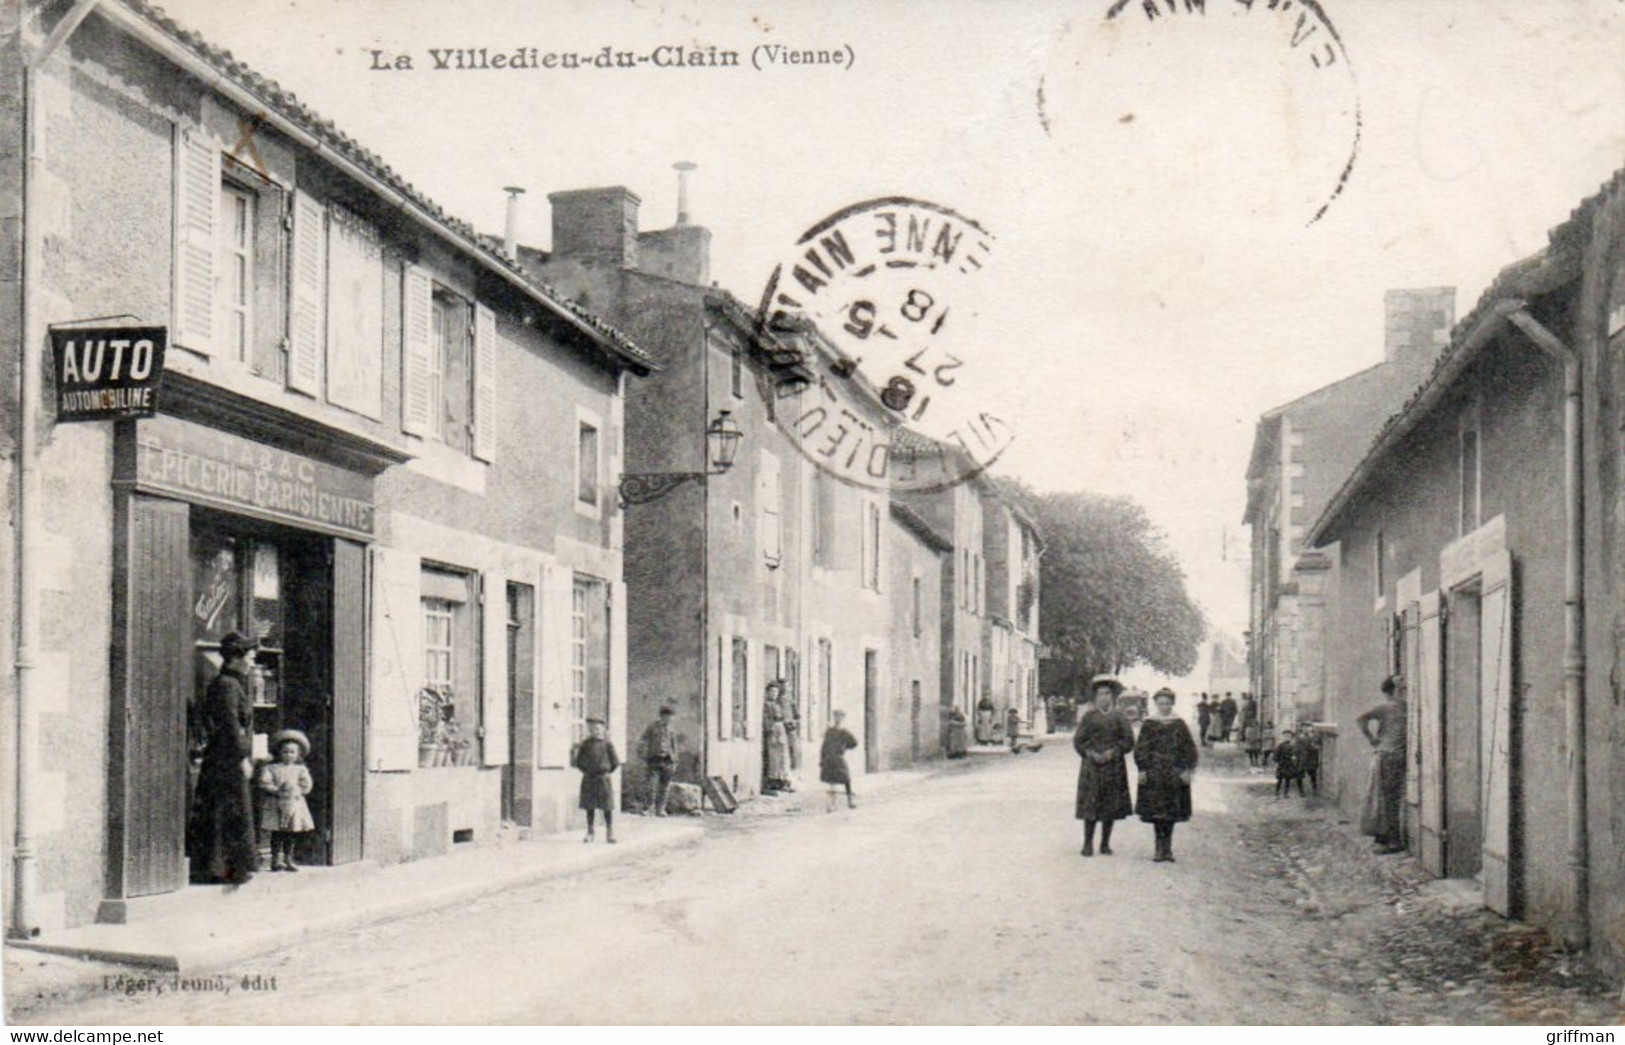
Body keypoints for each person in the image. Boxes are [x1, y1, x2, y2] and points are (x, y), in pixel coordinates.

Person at [188, 632, 259, 885]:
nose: (252, 662)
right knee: (227, 809)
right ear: (236, 658)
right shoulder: (227, 685)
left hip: (224, 755)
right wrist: (242, 757)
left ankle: (223, 868)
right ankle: (222, 869)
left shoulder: (232, 683)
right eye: (250, 657)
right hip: (226, 757)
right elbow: (229, 725)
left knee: (225, 809)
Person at [1134, 688, 1198, 863]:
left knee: (1170, 812)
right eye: (1161, 703)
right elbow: (1141, 749)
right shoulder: (1149, 724)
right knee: (1156, 812)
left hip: (1174, 772)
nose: (1165, 707)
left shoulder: (1179, 724)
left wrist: (1187, 769)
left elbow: (1189, 749)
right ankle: (1158, 848)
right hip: (1155, 772)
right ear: (1156, 704)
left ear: (1173, 703)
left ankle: (1168, 848)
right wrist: (1142, 769)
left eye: (1168, 703)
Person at [1073, 675, 1134, 857]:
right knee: (1090, 804)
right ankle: (1087, 844)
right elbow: (1079, 741)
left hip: (1113, 767)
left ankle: (1105, 843)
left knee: (1110, 805)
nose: (1104, 697)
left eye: (1108, 694)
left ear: (1113, 696)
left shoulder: (1119, 717)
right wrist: (1089, 753)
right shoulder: (1089, 717)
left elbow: (1129, 741)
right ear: (1095, 697)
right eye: (1100, 694)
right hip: (1092, 767)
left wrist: (1114, 752)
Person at [1356, 677, 1408, 854]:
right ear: (1393, 690)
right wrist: (1372, 739)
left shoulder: (1403, 706)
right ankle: (1390, 840)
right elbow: (1361, 719)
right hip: (1389, 756)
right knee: (1388, 798)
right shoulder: (1388, 707)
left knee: (1386, 797)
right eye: (1402, 687)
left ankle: (1385, 838)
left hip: (1391, 755)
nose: (1405, 689)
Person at [256, 729, 315, 872]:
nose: (288, 755)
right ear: (279, 753)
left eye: (292, 752)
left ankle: (289, 859)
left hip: (294, 804)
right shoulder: (272, 768)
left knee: (291, 832)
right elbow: (265, 782)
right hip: (276, 802)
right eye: (285, 752)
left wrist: (297, 791)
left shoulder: (300, 769)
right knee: (277, 832)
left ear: (298, 754)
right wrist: (277, 790)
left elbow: (306, 784)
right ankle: (275, 859)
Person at [573, 718, 620, 843]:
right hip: (589, 778)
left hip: (603, 779)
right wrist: (588, 770)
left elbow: (615, 762)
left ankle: (610, 833)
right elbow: (579, 762)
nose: (596, 731)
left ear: (603, 730)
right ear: (590, 730)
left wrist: (606, 771)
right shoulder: (585, 744)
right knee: (590, 807)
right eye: (593, 729)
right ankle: (590, 832)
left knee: (607, 807)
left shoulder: (607, 744)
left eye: (598, 728)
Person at [637, 704, 679, 816]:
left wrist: (675, 760)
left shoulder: (671, 730)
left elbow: (674, 745)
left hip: (668, 760)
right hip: (654, 759)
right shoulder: (652, 727)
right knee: (651, 785)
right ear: (662, 716)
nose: (669, 719)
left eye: (671, 717)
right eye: (667, 716)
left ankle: (661, 809)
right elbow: (643, 740)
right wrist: (643, 753)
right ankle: (648, 808)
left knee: (665, 786)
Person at [820, 710, 859, 811]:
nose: (837, 719)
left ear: (843, 719)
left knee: (846, 779)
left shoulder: (844, 732)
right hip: (829, 758)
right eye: (836, 717)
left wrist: (844, 747)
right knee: (831, 782)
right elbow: (824, 746)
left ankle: (850, 801)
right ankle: (831, 804)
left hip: (839, 757)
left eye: (840, 717)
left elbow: (854, 743)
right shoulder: (829, 731)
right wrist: (822, 759)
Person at [762, 682, 794, 794]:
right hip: (773, 730)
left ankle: (783, 781)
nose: (774, 694)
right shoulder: (766, 705)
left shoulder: (779, 704)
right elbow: (765, 719)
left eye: (776, 692)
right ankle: (774, 782)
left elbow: (785, 717)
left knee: (783, 756)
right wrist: (770, 728)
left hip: (781, 729)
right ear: (767, 692)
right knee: (774, 757)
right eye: (772, 691)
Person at [1274, 729, 1302, 797]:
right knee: (1279, 779)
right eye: (1286, 736)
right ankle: (1277, 792)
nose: (1287, 738)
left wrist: (1294, 759)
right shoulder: (1280, 745)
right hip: (1282, 764)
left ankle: (1286, 793)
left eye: (1289, 736)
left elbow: (1296, 754)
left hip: (1289, 764)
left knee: (1287, 779)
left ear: (1291, 737)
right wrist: (1277, 761)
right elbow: (1276, 755)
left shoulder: (1293, 746)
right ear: (1283, 737)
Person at [1295, 729, 1322, 794]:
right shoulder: (1299, 738)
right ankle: (1301, 791)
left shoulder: (1316, 737)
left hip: (1312, 760)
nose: (1306, 729)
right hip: (1302, 759)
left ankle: (1314, 790)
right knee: (1299, 775)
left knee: (1313, 776)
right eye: (1304, 727)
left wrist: (1315, 747)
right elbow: (1297, 748)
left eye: (1308, 727)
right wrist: (1296, 757)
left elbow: (1320, 746)